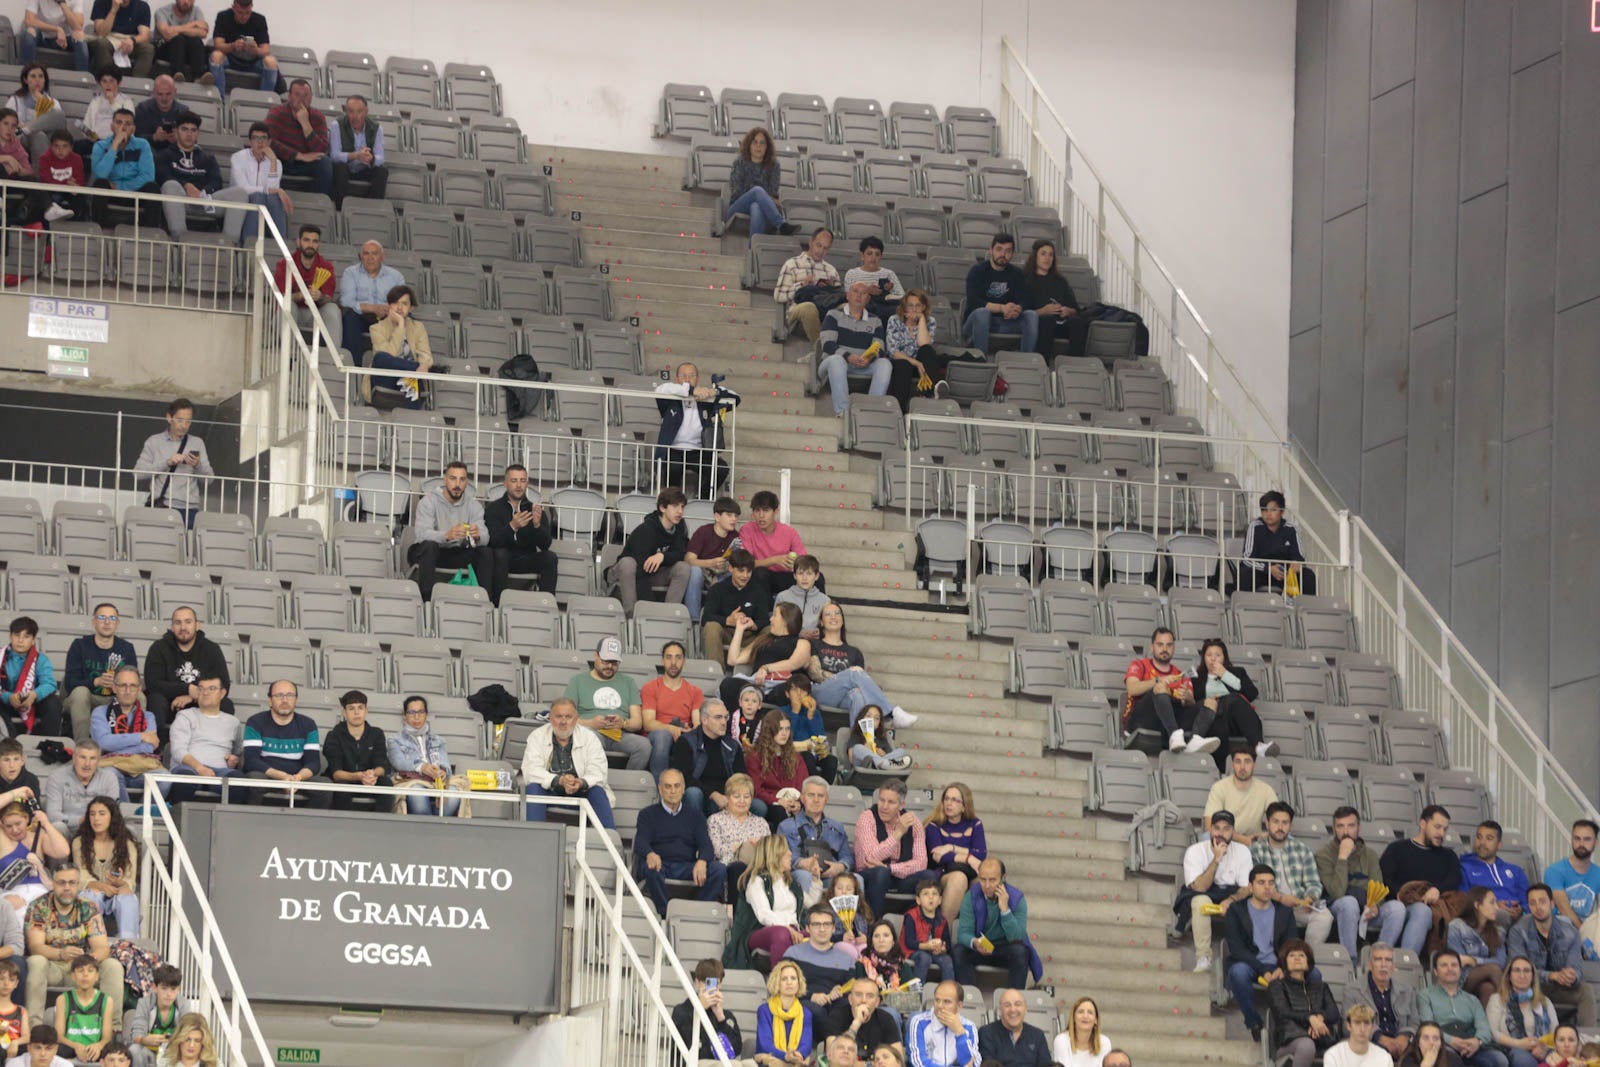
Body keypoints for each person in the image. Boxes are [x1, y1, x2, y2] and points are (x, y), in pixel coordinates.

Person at [23, 865, 123, 1033]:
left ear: (79, 885)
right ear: (53, 884)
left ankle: (112, 1031)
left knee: (112, 966)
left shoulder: (88, 907)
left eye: (72, 883)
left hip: (80, 968)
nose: (67, 888)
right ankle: (35, 1029)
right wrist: (60, 953)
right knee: (36, 961)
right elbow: (35, 947)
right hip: (51, 966)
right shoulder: (38, 906)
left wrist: (87, 961)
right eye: (61, 883)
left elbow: (102, 948)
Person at [633, 769, 726, 917]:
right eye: (668, 786)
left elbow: (706, 846)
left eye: (677, 786)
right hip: (660, 865)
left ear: (683, 789)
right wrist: (650, 853)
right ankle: (666, 914)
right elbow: (640, 841)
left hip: (686, 867)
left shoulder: (695, 815)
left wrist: (702, 861)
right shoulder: (647, 814)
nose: (673, 791)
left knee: (718, 869)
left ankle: (697, 912)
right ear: (660, 789)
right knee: (651, 869)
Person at [808, 603, 916, 727]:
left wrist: (849, 678)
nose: (833, 617)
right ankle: (891, 712)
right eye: (828, 614)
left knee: (858, 695)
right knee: (854, 673)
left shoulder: (854, 652)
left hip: (844, 696)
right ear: (821, 622)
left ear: (842, 620)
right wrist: (846, 676)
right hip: (821, 691)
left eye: (837, 613)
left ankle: (859, 741)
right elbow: (814, 673)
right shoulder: (814, 644)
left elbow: (860, 685)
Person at [155, 113, 253, 243]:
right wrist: (186, 185)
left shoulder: (207, 158)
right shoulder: (165, 155)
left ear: (197, 133)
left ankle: (229, 245)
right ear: (176, 132)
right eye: (184, 129)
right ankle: (180, 240)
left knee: (239, 193)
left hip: (205, 201)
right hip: (179, 200)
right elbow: (162, 177)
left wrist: (203, 192)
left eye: (193, 130)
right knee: (170, 185)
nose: (189, 134)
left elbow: (216, 182)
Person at [1224, 865, 1297, 1040]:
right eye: (1261, 883)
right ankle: (1255, 1023)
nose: (1267, 887)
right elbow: (1237, 949)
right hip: (1249, 962)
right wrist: (1263, 969)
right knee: (1238, 972)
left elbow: (1292, 945)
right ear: (1250, 887)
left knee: (1314, 974)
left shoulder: (1284, 912)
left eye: (1271, 883)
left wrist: (1282, 968)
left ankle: (1301, 1026)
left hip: (1277, 964)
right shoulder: (1236, 911)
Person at [1507, 883, 1596, 1027]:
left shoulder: (1570, 932)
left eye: (1542, 901)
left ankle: (1588, 1041)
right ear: (1528, 906)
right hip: (1529, 986)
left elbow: (1577, 968)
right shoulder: (1518, 931)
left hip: (1560, 987)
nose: (1538, 907)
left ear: (1552, 904)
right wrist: (1551, 976)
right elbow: (1517, 970)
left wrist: (1571, 975)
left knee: (1586, 990)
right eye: (1532, 903)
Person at [521, 698, 616, 828]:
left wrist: (581, 782)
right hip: (550, 792)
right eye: (559, 716)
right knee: (533, 788)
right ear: (550, 718)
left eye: (568, 717)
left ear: (576, 719)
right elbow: (530, 771)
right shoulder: (537, 736)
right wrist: (559, 780)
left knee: (597, 791)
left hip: (581, 792)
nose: (563, 722)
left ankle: (609, 841)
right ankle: (535, 840)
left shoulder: (589, 738)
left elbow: (598, 772)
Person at [726, 836, 819, 969]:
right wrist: (786, 927)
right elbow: (764, 915)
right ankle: (779, 981)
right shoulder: (756, 881)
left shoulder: (791, 883)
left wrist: (815, 879)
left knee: (821, 936)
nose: (790, 853)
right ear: (774, 854)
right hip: (760, 932)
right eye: (785, 850)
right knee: (781, 934)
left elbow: (813, 905)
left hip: (793, 930)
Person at [1123, 627, 1218, 756]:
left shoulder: (1181, 675)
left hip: (1168, 722)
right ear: (1152, 647)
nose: (1164, 649)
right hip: (1141, 721)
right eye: (1160, 644)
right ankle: (1174, 734)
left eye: (1169, 645)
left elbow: (1188, 705)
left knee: (1210, 702)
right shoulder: (1139, 664)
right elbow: (1132, 689)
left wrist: (1188, 698)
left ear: (1173, 648)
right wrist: (1158, 680)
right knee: (1160, 687)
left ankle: (1195, 740)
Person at [1318, 807, 1399, 958]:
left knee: (1397, 908)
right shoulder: (1324, 855)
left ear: (1358, 828)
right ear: (1334, 829)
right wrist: (1342, 857)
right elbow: (1337, 893)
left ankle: (1379, 957)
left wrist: (1376, 904)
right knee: (1349, 902)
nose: (1346, 831)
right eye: (1340, 826)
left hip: (1367, 908)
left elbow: (1378, 887)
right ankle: (1351, 960)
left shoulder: (1370, 855)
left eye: (1351, 825)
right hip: (1337, 908)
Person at [1180, 808, 1254, 972]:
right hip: (1206, 893)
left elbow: (1246, 888)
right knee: (1200, 901)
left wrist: (1230, 901)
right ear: (1210, 829)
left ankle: (1247, 959)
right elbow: (1199, 888)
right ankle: (1203, 957)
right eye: (1217, 828)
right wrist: (1216, 859)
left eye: (1226, 829)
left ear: (1233, 832)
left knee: (1254, 902)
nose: (1220, 833)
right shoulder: (1195, 851)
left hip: (1231, 895)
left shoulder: (1243, 852)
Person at [407, 461, 493, 604]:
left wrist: (477, 537)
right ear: (445, 480)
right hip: (429, 552)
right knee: (430, 546)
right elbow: (422, 534)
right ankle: (426, 602)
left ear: (467, 483)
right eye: (453, 478)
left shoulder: (474, 505)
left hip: (456, 552)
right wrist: (446, 535)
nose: (457, 484)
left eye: (462, 479)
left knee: (486, 552)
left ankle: (485, 602)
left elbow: (486, 537)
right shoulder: (428, 501)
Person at [1380, 806, 1462, 955]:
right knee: (1403, 909)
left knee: (1422, 910)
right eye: (1437, 827)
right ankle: (1383, 957)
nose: (1441, 833)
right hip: (1396, 904)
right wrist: (1401, 894)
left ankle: (1406, 962)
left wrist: (1437, 889)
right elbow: (1384, 878)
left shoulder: (1449, 856)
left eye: (1445, 829)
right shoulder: (1397, 849)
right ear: (1423, 824)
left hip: (1429, 908)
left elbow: (1454, 880)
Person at [1253, 801, 1334, 948]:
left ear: (1291, 826)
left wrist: (1310, 898)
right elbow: (1256, 885)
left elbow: (1314, 883)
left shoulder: (1302, 849)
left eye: (1285, 823)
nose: (1280, 827)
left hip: (1299, 905)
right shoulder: (1257, 850)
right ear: (1267, 823)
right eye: (1276, 822)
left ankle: (1306, 955)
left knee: (1325, 916)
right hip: (1270, 904)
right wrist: (1281, 898)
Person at [239, 680, 330, 808]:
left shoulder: (308, 724)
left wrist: (297, 778)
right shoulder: (255, 722)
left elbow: (314, 763)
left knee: (325, 786)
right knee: (253, 780)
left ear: (296, 700)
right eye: (279, 695)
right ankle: (250, 825)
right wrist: (282, 777)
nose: (285, 700)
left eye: (290, 695)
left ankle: (308, 827)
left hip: (296, 777)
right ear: (270, 700)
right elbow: (251, 761)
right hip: (267, 776)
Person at [654, 362, 740, 499]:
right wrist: (690, 391)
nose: (687, 379)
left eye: (692, 376)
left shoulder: (706, 400)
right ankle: (673, 502)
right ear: (676, 379)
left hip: (698, 451)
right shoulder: (670, 399)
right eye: (683, 376)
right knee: (673, 468)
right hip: (673, 450)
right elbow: (660, 389)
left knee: (721, 469)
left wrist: (715, 392)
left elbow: (736, 398)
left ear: (698, 379)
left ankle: (702, 499)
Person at [564, 637, 649, 771]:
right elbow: (565, 718)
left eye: (614, 663)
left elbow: (637, 722)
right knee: (592, 739)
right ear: (595, 656)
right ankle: (596, 783)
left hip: (619, 734)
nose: (609, 666)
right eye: (605, 661)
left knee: (644, 746)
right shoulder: (577, 681)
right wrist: (591, 723)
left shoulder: (628, 682)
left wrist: (623, 723)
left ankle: (627, 784)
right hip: (590, 731)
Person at [1190, 638, 1274, 772]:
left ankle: (1259, 746)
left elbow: (1251, 694)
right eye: (1209, 655)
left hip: (1234, 719)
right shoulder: (1197, 679)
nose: (1213, 659)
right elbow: (1192, 704)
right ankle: (1220, 771)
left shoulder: (1237, 673)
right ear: (1203, 658)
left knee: (1233, 699)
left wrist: (1225, 675)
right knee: (1217, 722)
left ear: (1224, 657)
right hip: (1211, 720)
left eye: (1217, 655)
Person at [954, 858, 1040, 989]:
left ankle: (1014, 1000)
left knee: (1021, 952)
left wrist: (1005, 910)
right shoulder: (971, 896)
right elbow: (963, 933)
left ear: (1003, 878)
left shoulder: (1017, 898)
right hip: (980, 948)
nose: (987, 885)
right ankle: (969, 999)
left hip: (1004, 949)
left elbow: (1017, 937)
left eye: (992, 880)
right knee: (958, 951)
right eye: (983, 879)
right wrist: (975, 943)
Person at [607, 487, 691, 616]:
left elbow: (680, 553)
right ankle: (631, 615)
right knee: (628, 563)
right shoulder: (647, 529)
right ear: (663, 508)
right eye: (675, 506)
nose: (680, 511)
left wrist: (662, 556)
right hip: (628, 572)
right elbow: (641, 568)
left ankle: (669, 616)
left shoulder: (680, 527)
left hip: (653, 573)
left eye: (682, 507)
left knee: (683, 567)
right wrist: (648, 610)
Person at [1417, 948, 1505, 1067]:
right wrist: (1450, 1040)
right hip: (1443, 1043)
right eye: (1444, 965)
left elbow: (1484, 1028)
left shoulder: (1472, 1000)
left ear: (1460, 970)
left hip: (1471, 1044)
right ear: (1436, 972)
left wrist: (1477, 1041)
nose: (1450, 969)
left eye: (1454, 965)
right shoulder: (1425, 995)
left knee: (1499, 1060)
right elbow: (1427, 1025)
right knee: (1452, 1060)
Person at [854, 780, 927, 921]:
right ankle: (875, 925)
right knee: (881, 873)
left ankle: (916, 926)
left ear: (901, 805)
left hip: (897, 875)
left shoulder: (913, 822)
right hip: (870, 875)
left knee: (929, 877)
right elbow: (871, 857)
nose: (884, 807)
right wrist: (898, 833)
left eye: (891, 802)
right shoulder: (867, 818)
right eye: (882, 800)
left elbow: (921, 862)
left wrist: (890, 868)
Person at [142, 607, 230, 723]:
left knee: (226, 704)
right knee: (155, 700)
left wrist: (193, 697)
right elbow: (153, 684)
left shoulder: (211, 649)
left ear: (197, 625)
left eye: (188, 622)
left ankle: (214, 740)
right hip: (169, 705)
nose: (183, 627)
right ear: (172, 627)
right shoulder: (158, 648)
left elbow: (223, 685)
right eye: (178, 623)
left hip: (200, 702)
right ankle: (161, 741)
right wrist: (187, 689)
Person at [161, 673, 240, 803]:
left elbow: (237, 752)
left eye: (211, 689)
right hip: (189, 769)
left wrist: (234, 760)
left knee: (238, 783)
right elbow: (178, 750)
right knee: (185, 781)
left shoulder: (234, 722)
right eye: (201, 688)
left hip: (219, 772)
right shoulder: (185, 716)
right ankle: (177, 822)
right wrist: (200, 768)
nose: (205, 693)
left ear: (222, 693)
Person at [132, 400, 210, 529]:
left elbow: (210, 479)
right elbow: (138, 474)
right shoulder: (154, 441)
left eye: (188, 421)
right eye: (180, 420)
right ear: (169, 418)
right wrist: (167, 462)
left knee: (186, 548)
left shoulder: (197, 443)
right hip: (161, 506)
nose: (184, 425)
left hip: (189, 509)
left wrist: (197, 465)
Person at [1268, 938, 1345, 1067]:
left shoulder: (1321, 986)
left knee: (1348, 1047)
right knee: (1306, 1045)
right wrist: (1309, 1019)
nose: (1297, 958)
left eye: (1301, 955)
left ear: (1308, 962)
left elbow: (1334, 1013)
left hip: (1322, 1038)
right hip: (1290, 1041)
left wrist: (1318, 1019)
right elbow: (1283, 1011)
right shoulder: (1277, 986)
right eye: (1292, 955)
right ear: (1284, 962)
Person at [721, 602, 811, 711]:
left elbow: (793, 663)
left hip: (782, 686)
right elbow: (733, 660)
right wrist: (740, 629)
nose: (771, 619)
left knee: (790, 690)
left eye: (774, 616)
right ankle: (737, 723)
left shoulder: (802, 642)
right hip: (757, 686)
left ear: (785, 619)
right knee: (728, 684)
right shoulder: (763, 639)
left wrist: (766, 668)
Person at [818, 282, 891, 416]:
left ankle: (871, 412)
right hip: (834, 363)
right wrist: (848, 356)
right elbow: (828, 344)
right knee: (836, 360)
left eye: (864, 293)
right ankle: (843, 412)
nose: (859, 296)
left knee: (885, 363)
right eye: (855, 291)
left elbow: (879, 348)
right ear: (847, 295)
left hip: (863, 364)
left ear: (868, 299)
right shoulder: (833, 315)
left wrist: (869, 358)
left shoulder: (875, 321)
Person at [484, 465, 557, 597]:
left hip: (526, 559)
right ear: (505, 484)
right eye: (514, 481)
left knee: (550, 557)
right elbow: (492, 541)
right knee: (500, 554)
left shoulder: (534, 509)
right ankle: (497, 604)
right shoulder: (493, 508)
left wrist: (537, 525)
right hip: (502, 560)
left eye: (522, 481)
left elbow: (545, 544)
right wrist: (512, 526)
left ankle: (547, 605)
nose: (518, 485)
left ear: (527, 484)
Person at [669, 700, 752, 818]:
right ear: (704, 720)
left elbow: (742, 778)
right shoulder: (687, 742)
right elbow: (682, 778)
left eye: (725, 717)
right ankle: (696, 834)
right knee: (693, 793)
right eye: (718, 717)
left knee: (759, 806)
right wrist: (713, 794)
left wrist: (735, 797)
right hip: (701, 796)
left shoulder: (732, 745)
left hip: (728, 797)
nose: (724, 722)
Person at [385, 696, 460, 818]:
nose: (417, 717)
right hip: (411, 781)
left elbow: (446, 766)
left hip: (435, 782)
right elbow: (398, 762)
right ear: (404, 716)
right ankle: (432, 829)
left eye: (420, 712)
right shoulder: (394, 740)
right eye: (412, 712)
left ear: (426, 714)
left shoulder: (439, 740)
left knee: (454, 792)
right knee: (417, 790)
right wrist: (421, 767)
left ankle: (429, 829)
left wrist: (442, 772)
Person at [963, 233, 1038, 354]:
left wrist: (1018, 308)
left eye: (1008, 251)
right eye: (999, 249)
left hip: (1006, 322)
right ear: (991, 250)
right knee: (982, 313)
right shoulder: (977, 271)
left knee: (1031, 315)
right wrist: (1001, 308)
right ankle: (981, 360)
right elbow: (973, 301)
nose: (1003, 254)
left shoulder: (1017, 274)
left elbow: (1027, 299)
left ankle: (1026, 362)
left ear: (1012, 254)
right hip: (977, 322)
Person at [272, 223, 341, 348]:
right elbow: (280, 297)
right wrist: (300, 295)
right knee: (288, 305)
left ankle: (334, 358)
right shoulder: (285, 264)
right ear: (298, 242)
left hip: (315, 313)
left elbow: (329, 298)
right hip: (294, 311)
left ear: (319, 244)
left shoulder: (326, 266)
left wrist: (320, 297)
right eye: (306, 240)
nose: (310, 245)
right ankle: (289, 357)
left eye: (315, 241)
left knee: (332, 309)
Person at [923, 783, 985, 922]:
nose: (949, 804)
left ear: (964, 806)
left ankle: (976, 938)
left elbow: (980, 855)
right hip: (942, 873)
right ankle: (944, 932)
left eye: (955, 800)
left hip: (971, 873)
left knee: (986, 881)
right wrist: (968, 858)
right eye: (946, 799)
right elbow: (939, 856)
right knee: (959, 878)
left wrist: (951, 847)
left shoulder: (975, 824)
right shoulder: (934, 825)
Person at [777, 777, 851, 893]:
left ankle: (849, 912)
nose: (816, 800)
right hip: (799, 874)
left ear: (826, 799)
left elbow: (848, 857)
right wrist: (801, 863)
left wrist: (840, 867)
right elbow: (779, 858)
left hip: (829, 875)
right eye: (811, 795)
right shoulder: (785, 827)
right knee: (804, 876)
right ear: (802, 798)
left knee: (856, 880)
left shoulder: (837, 827)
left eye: (820, 796)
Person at [641, 641, 703, 779]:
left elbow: (698, 724)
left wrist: (687, 731)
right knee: (664, 736)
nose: (673, 662)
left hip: (684, 736)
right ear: (663, 661)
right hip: (657, 737)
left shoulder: (695, 692)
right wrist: (671, 729)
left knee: (691, 741)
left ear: (684, 661)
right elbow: (648, 723)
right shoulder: (650, 688)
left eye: (678, 657)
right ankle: (660, 789)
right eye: (669, 657)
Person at [320, 690, 391, 811]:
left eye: (360, 708)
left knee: (386, 784)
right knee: (341, 788)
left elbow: (382, 766)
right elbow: (336, 773)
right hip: (345, 780)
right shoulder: (334, 735)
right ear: (344, 712)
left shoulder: (376, 734)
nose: (357, 712)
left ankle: (379, 826)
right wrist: (358, 776)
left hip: (369, 780)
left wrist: (372, 774)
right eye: (351, 708)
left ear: (366, 711)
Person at [701, 549, 772, 668]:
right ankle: (716, 672)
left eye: (749, 571)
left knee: (770, 631)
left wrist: (752, 624)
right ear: (731, 568)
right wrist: (728, 620)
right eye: (741, 571)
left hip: (750, 636)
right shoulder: (718, 589)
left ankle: (756, 670)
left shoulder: (758, 591)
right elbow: (706, 617)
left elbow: (764, 619)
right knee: (711, 627)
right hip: (726, 632)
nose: (745, 576)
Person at [336, 242, 404, 365]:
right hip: (360, 316)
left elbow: (402, 302)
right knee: (350, 317)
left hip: (386, 316)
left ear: (382, 257)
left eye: (375, 254)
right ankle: (353, 367)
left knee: (407, 320)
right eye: (366, 253)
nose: (370, 258)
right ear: (361, 256)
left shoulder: (395, 276)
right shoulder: (350, 273)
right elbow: (346, 301)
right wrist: (372, 308)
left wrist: (389, 310)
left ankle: (400, 368)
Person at [1351, 942, 1421, 1062]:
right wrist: (1382, 1039)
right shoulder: (1353, 990)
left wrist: (1404, 1037)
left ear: (1393, 966)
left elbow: (1415, 1021)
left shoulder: (1407, 990)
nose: (1383, 964)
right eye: (1378, 959)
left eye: (1388, 960)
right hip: (1370, 1042)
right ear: (1369, 965)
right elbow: (1349, 1024)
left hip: (1401, 1044)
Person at [1021, 239, 1090, 359]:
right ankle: (1043, 364)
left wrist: (1068, 311)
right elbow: (1022, 311)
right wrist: (1043, 311)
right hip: (1038, 323)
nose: (1047, 258)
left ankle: (1075, 364)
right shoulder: (1026, 280)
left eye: (1050, 255)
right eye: (1043, 254)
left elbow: (1076, 310)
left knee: (1077, 322)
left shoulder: (1060, 281)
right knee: (1047, 320)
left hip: (1061, 323)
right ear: (1035, 257)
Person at [93, 667, 164, 783]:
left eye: (132, 686)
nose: (128, 690)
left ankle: (143, 802)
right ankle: (121, 802)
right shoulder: (100, 712)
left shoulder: (149, 716)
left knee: (163, 777)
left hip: (141, 767)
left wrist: (114, 750)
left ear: (139, 689)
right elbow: (104, 743)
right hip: (112, 767)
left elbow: (148, 747)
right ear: (114, 688)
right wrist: (140, 736)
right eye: (123, 685)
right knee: (110, 774)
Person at [0, 799, 69, 918]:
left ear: (26, 818)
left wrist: (46, 823)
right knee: (11, 907)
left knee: (45, 911)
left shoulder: (38, 837)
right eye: (9, 826)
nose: (14, 830)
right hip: (11, 891)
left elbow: (63, 851)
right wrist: (19, 792)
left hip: (39, 889)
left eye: (18, 824)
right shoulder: (3, 839)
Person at [1239, 490, 1317, 594]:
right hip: (1262, 572)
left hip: (1285, 573)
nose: (1268, 514)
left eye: (1273, 510)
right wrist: (1268, 569)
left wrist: (1297, 564)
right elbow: (1247, 559)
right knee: (1246, 574)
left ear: (1282, 511)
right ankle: (1244, 607)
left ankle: (1306, 608)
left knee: (1308, 575)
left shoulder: (1291, 528)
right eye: (1264, 510)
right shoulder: (1255, 526)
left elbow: (1299, 556)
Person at [1484, 957, 1556, 1067]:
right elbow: (1493, 1033)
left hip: (1543, 1048)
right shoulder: (1497, 999)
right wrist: (1519, 1043)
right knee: (1525, 1061)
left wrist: (1543, 1047)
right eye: (1517, 970)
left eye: (1526, 971)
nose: (1522, 975)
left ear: (1533, 976)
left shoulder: (1544, 1001)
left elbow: (1555, 1032)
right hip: (1512, 1048)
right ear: (1509, 976)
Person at [89, 108, 157, 224]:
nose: (123, 127)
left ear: (133, 129)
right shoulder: (100, 146)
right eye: (119, 122)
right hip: (110, 192)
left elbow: (148, 176)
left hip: (135, 191)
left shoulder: (142, 145)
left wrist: (122, 187)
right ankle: (97, 230)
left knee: (153, 188)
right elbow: (100, 174)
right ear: (112, 126)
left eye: (128, 124)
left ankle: (151, 235)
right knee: (100, 184)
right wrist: (114, 146)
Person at [725, 125, 794, 238]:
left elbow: (773, 192)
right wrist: (757, 193)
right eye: (755, 142)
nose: (758, 146)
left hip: (763, 207)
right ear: (749, 145)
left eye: (762, 143)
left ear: (767, 147)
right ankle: (781, 224)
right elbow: (737, 191)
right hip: (738, 206)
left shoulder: (774, 165)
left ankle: (753, 252)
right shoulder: (739, 162)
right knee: (757, 191)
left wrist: (759, 197)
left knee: (756, 207)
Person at [773, 227, 840, 343]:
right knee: (809, 307)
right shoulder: (792, 264)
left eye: (825, 248)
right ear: (811, 242)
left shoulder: (831, 271)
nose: (821, 251)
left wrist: (829, 289)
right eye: (818, 245)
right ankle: (820, 349)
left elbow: (838, 296)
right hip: (797, 310)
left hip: (823, 308)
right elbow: (778, 295)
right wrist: (801, 286)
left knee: (844, 308)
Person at [670, 959, 743, 1064]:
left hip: (718, 1063)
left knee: (750, 1064)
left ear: (720, 985)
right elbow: (692, 1048)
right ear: (697, 982)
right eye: (708, 983)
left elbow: (736, 1049)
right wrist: (700, 1010)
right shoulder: (682, 1011)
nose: (712, 988)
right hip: (691, 1062)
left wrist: (721, 1019)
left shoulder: (726, 1015)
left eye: (716, 983)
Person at [264, 78, 329, 195]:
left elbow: (322, 149)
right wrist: (298, 155)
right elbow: (269, 142)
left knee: (324, 162)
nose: (301, 99)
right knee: (266, 158)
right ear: (289, 97)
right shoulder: (276, 112)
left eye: (306, 95)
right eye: (297, 94)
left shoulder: (318, 117)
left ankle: (320, 202)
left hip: (306, 163)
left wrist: (306, 125)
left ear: (311, 98)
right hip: (282, 160)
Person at [782, 903, 855, 1008]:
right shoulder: (793, 954)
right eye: (816, 924)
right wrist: (811, 996)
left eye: (827, 924)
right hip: (803, 1006)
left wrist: (840, 992)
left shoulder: (847, 960)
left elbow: (852, 991)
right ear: (807, 928)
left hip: (836, 1008)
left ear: (833, 928)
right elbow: (781, 985)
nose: (822, 929)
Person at [1, 620, 63, 738]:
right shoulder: (1, 656)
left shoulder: (41, 659)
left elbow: (49, 684)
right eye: (17, 635)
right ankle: (9, 744)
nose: (20, 640)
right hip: (5, 702)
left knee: (53, 703)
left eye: (26, 636)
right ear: (10, 636)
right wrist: (8, 697)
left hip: (31, 703)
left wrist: (34, 695)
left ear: (33, 640)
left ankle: (49, 745)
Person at [684, 497, 742, 623]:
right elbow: (689, 559)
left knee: (735, 574)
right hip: (702, 571)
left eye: (736, 516)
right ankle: (693, 619)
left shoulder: (735, 537)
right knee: (695, 572)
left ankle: (721, 617)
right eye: (729, 515)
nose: (734, 519)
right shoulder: (703, 532)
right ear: (717, 516)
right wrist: (710, 563)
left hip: (722, 574)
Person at [1204, 748, 1279, 846]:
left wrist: (1263, 835)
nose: (1242, 767)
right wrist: (1241, 839)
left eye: (1247, 762)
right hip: (1226, 838)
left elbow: (1279, 821)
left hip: (1255, 840)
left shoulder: (1266, 790)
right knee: (1206, 836)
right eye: (1238, 762)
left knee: (1286, 837)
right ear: (1232, 765)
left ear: (1254, 765)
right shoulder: (1219, 787)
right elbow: (1209, 824)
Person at [228, 122, 288, 244]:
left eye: (263, 138)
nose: (260, 142)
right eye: (255, 138)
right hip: (240, 201)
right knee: (258, 196)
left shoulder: (276, 163)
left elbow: (272, 192)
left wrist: (273, 163)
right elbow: (243, 188)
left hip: (266, 205)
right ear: (250, 142)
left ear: (269, 142)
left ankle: (280, 244)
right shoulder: (238, 158)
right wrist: (265, 190)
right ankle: (249, 243)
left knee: (274, 198)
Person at [1542, 820, 1600, 946]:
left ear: (1596, 843)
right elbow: (1564, 910)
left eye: (1587, 839)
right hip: (1558, 926)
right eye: (1577, 838)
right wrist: (1586, 934)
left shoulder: (1598, 873)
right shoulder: (1554, 871)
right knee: (1565, 922)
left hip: (1586, 928)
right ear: (1572, 840)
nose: (1581, 844)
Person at [125, 964, 194, 1067]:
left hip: (174, 1053)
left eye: (173, 989)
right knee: (134, 1050)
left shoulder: (184, 1004)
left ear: (179, 989)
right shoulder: (144, 1003)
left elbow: (188, 1034)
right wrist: (144, 1040)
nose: (169, 994)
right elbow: (136, 1036)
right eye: (164, 988)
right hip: (148, 1052)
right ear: (155, 988)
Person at [42, 744, 122, 833]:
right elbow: (53, 816)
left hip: (98, 830)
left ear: (99, 760)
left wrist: (93, 822)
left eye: (92, 758)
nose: (87, 764)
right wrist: (80, 821)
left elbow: (112, 813)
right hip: (68, 829)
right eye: (83, 757)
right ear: (74, 758)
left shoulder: (109, 778)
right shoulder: (57, 777)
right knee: (57, 826)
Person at [707, 772, 767, 890]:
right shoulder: (715, 820)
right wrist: (741, 846)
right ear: (727, 797)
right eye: (737, 796)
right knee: (737, 867)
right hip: (728, 869)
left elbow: (769, 852)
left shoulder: (761, 823)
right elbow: (716, 852)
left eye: (746, 796)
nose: (742, 801)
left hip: (756, 870)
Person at [747, 711, 808, 826]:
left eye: (787, 729)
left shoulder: (796, 757)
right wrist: (778, 800)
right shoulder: (755, 757)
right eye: (780, 729)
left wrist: (798, 802)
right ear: (769, 730)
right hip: (771, 802)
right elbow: (756, 790)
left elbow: (803, 783)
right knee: (779, 812)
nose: (784, 733)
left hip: (793, 801)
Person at [1446, 887, 1506, 1005]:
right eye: (1492, 902)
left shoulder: (1498, 931)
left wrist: (1473, 960)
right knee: (1493, 969)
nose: (1497, 908)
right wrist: (1474, 962)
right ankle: (1511, 1009)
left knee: (1487, 988)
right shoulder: (1457, 926)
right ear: (1477, 905)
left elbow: (1501, 961)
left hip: (1487, 978)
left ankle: (1484, 1023)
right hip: (1461, 977)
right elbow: (1457, 961)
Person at [1458, 821, 1529, 919]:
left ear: (1499, 844)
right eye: (1479, 837)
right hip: (1485, 920)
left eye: (1489, 838)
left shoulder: (1516, 871)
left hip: (1518, 920)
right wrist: (1494, 907)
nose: (1482, 842)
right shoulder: (1464, 868)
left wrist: (1520, 910)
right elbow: (1464, 902)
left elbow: (1528, 900)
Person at [740, 491, 807, 593]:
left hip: (786, 576)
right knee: (760, 573)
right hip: (762, 576)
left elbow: (804, 561)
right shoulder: (746, 530)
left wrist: (794, 562)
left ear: (775, 512)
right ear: (753, 513)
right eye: (757, 510)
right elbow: (745, 563)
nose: (761, 515)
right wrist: (774, 560)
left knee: (817, 577)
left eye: (766, 510)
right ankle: (764, 608)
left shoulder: (789, 532)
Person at [885, 289, 940, 413]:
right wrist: (914, 362)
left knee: (927, 351)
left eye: (918, 306)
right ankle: (900, 410)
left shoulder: (930, 321)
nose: (914, 309)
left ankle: (929, 394)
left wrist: (921, 321)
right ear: (904, 307)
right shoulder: (894, 320)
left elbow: (924, 344)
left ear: (924, 307)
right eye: (910, 305)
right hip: (900, 363)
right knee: (903, 364)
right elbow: (892, 351)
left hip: (922, 366)